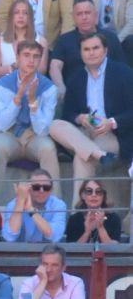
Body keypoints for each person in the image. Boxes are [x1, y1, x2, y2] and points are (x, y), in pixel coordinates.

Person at [49, 32, 133, 202]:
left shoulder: (123, 73)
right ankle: (99, 154)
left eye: (95, 48)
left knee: (82, 159)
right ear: (81, 53)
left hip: (110, 134)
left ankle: (77, 213)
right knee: (54, 125)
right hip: (83, 131)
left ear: (105, 50)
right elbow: (68, 114)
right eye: (86, 49)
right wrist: (80, 118)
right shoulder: (76, 77)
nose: (91, 53)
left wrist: (112, 123)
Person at [0, 40, 60, 199]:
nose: (31, 60)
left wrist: (32, 102)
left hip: (34, 135)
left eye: (36, 56)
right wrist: (18, 97)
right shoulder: (2, 85)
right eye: (27, 55)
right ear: (17, 57)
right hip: (9, 134)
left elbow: (43, 130)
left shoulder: (49, 88)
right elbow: (2, 125)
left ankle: (54, 204)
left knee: (48, 148)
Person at [49, 0, 124, 99]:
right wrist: (60, 86)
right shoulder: (64, 40)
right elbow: (55, 65)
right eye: (79, 14)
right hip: (75, 95)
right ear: (73, 17)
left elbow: (121, 68)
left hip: (108, 93)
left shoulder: (111, 38)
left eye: (87, 13)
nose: (84, 17)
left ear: (96, 15)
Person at [18, 243, 87, 299]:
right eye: (45, 264)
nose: (48, 270)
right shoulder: (28, 283)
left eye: (54, 265)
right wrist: (43, 282)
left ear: (63, 267)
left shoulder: (75, 283)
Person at [0, 0, 48, 79]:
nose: (21, 16)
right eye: (16, 12)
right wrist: (13, 67)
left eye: (25, 13)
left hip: (32, 82)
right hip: (6, 83)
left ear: (30, 17)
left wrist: (23, 68)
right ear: (11, 16)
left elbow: (42, 71)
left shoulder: (41, 42)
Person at [1, 170, 67, 243]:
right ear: (28, 189)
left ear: (51, 189)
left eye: (46, 187)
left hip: (49, 249)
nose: (41, 191)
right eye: (36, 187)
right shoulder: (14, 204)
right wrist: (20, 203)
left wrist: (30, 210)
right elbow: (9, 237)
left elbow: (54, 236)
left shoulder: (58, 205)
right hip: (20, 249)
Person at [66, 178, 123, 243]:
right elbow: (72, 248)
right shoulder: (74, 219)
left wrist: (100, 228)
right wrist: (87, 232)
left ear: (103, 196)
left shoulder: (113, 218)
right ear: (83, 195)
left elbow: (114, 248)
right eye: (89, 191)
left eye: (98, 192)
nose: (94, 195)